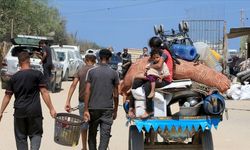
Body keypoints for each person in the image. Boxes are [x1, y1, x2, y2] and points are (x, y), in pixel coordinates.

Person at [0, 51, 57, 150]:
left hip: (19, 112)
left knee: (21, 138)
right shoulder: (37, 75)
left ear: (19, 62)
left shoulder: (14, 78)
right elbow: (44, 92)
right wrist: (51, 109)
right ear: (29, 61)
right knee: (36, 134)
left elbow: (7, 96)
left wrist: (0, 112)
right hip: (35, 112)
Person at [128, 36, 173, 119]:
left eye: (151, 47)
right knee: (137, 81)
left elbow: (159, 66)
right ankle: (131, 107)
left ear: (154, 46)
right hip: (155, 75)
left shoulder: (164, 53)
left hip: (164, 78)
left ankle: (149, 110)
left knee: (148, 85)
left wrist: (149, 66)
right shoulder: (157, 54)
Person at [84, 49, 119, 150]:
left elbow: (87, 92)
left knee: (92, 134)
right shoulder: (114, 73)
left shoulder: (91, 72)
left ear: (99, 58)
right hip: (107, 109)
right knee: (105, 136)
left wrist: (86, 110)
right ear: (109, 58)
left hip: (93, 108)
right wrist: (115, 109)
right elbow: (116, 94)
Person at [64, 52, 96, 150]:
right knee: (93, 126)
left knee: (84, 125)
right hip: (95, 102)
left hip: (82, 102)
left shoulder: (81, 70)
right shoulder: (96, 70)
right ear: (94, 61)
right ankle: (92, 147)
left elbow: (73, 85)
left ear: (85, 60)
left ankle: (84, 147)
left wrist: (68, 101)